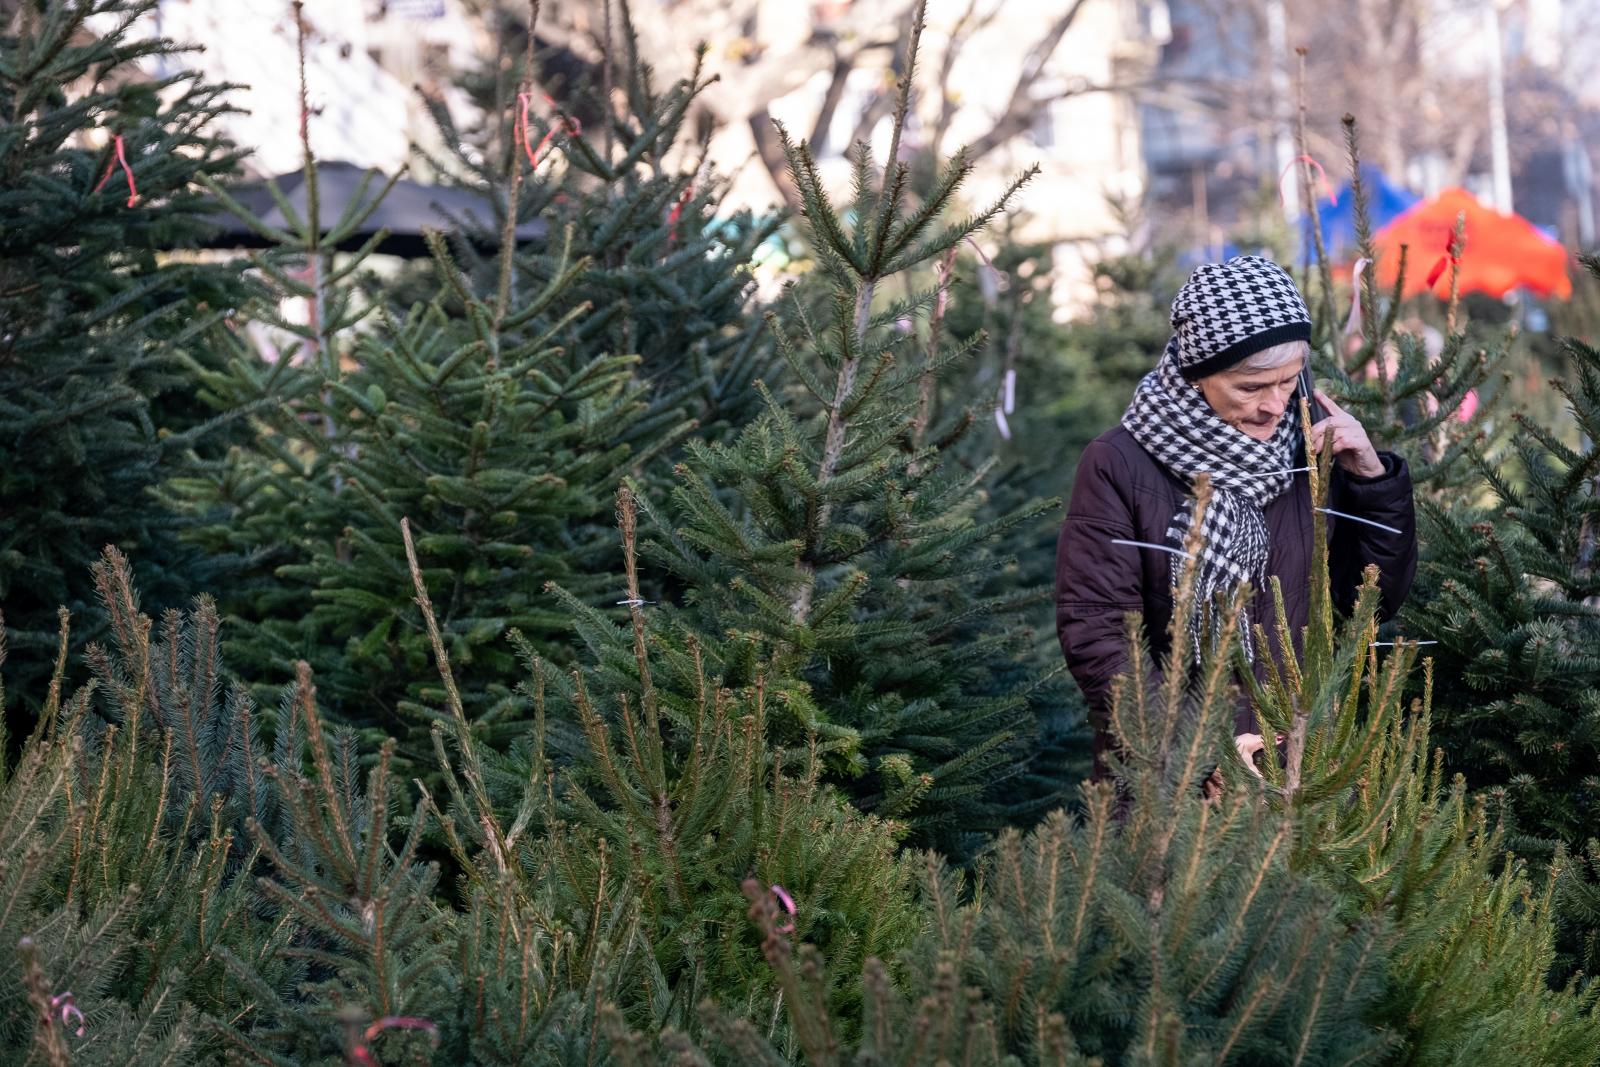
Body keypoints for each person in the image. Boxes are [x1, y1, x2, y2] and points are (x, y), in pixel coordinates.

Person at [1054, 255, 1416, 782]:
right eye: (1250, 387)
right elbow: (1099, 633)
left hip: (1301, 765)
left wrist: (1370, 478)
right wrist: (1198, 754)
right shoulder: (1120, 463)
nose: (1274, 406)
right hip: (1172, 782)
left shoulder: (1311, 447)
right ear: (1197, 375)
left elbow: (1369, 602)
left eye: (1288, 382)